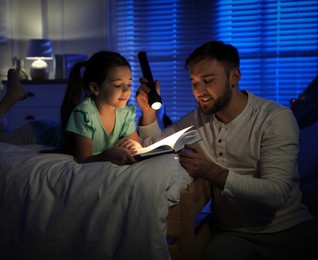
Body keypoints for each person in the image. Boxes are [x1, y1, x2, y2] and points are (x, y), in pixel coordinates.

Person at [136, 40, 318, 259]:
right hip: (233, 234)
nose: (199, 91)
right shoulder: (199, 118)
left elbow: (276, 194)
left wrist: (211, 171)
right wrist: (148, 111)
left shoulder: (274, 118)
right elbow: (154, 145)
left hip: (288, 228)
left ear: (234, 77)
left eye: (208, 81)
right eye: (194, 82)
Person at [62, 50, 142, 165]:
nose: (127, 90)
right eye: (117, 85)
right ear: (95, 88)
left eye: (129, 84)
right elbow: (84, 158)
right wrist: (107, 155)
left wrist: (136, 145)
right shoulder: (85, 114)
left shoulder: (124, 113)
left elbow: (139, 146)